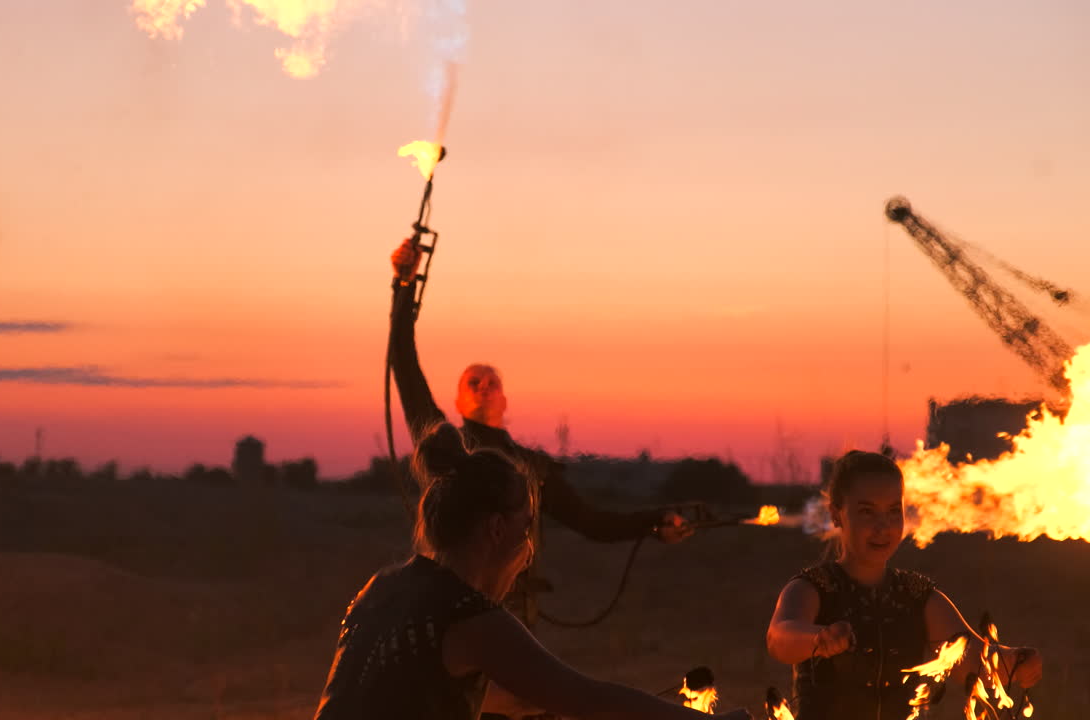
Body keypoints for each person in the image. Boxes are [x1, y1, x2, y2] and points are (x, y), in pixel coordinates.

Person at [315, 424, 751, 720]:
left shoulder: (384, 586)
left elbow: (457, 691)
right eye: (527, 529)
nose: (529, 550)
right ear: (496, 528)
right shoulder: (470, 618)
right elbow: (590, 700)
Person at [389, 238, 693, 628]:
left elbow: (592, 522)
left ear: (505, 399)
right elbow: (405, 364)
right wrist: (403, 285)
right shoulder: (445, 449)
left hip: (510, 613)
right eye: (473, 381)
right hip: (444, 606)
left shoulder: (532, 469)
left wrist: (656, 522)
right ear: (459, 402)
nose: (483, 385)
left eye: (491, 381)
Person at [765, 450, 1043, 720]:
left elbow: (973, 660)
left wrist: (1015, 660)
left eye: (893, 511)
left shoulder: (917, 595)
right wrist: (819, 639)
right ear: (837, 514)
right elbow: (779, 638)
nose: (882, 526)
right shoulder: (814, 587)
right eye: (867, 512)